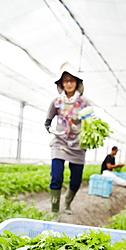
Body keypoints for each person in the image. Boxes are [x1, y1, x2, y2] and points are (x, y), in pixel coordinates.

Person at [45, 62, 92, 220]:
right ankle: (54, 210)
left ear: (77, 83)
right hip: (60, 142)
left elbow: (91, 121)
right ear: (61, 84)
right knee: (56, 176)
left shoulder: (84, 102)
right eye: (65, 80)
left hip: (78, 144)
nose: (69, 83)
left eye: (72, 80)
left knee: (76, 180)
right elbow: (49, 119)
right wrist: (48, 126)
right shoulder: (57, 102)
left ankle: (67, 203)